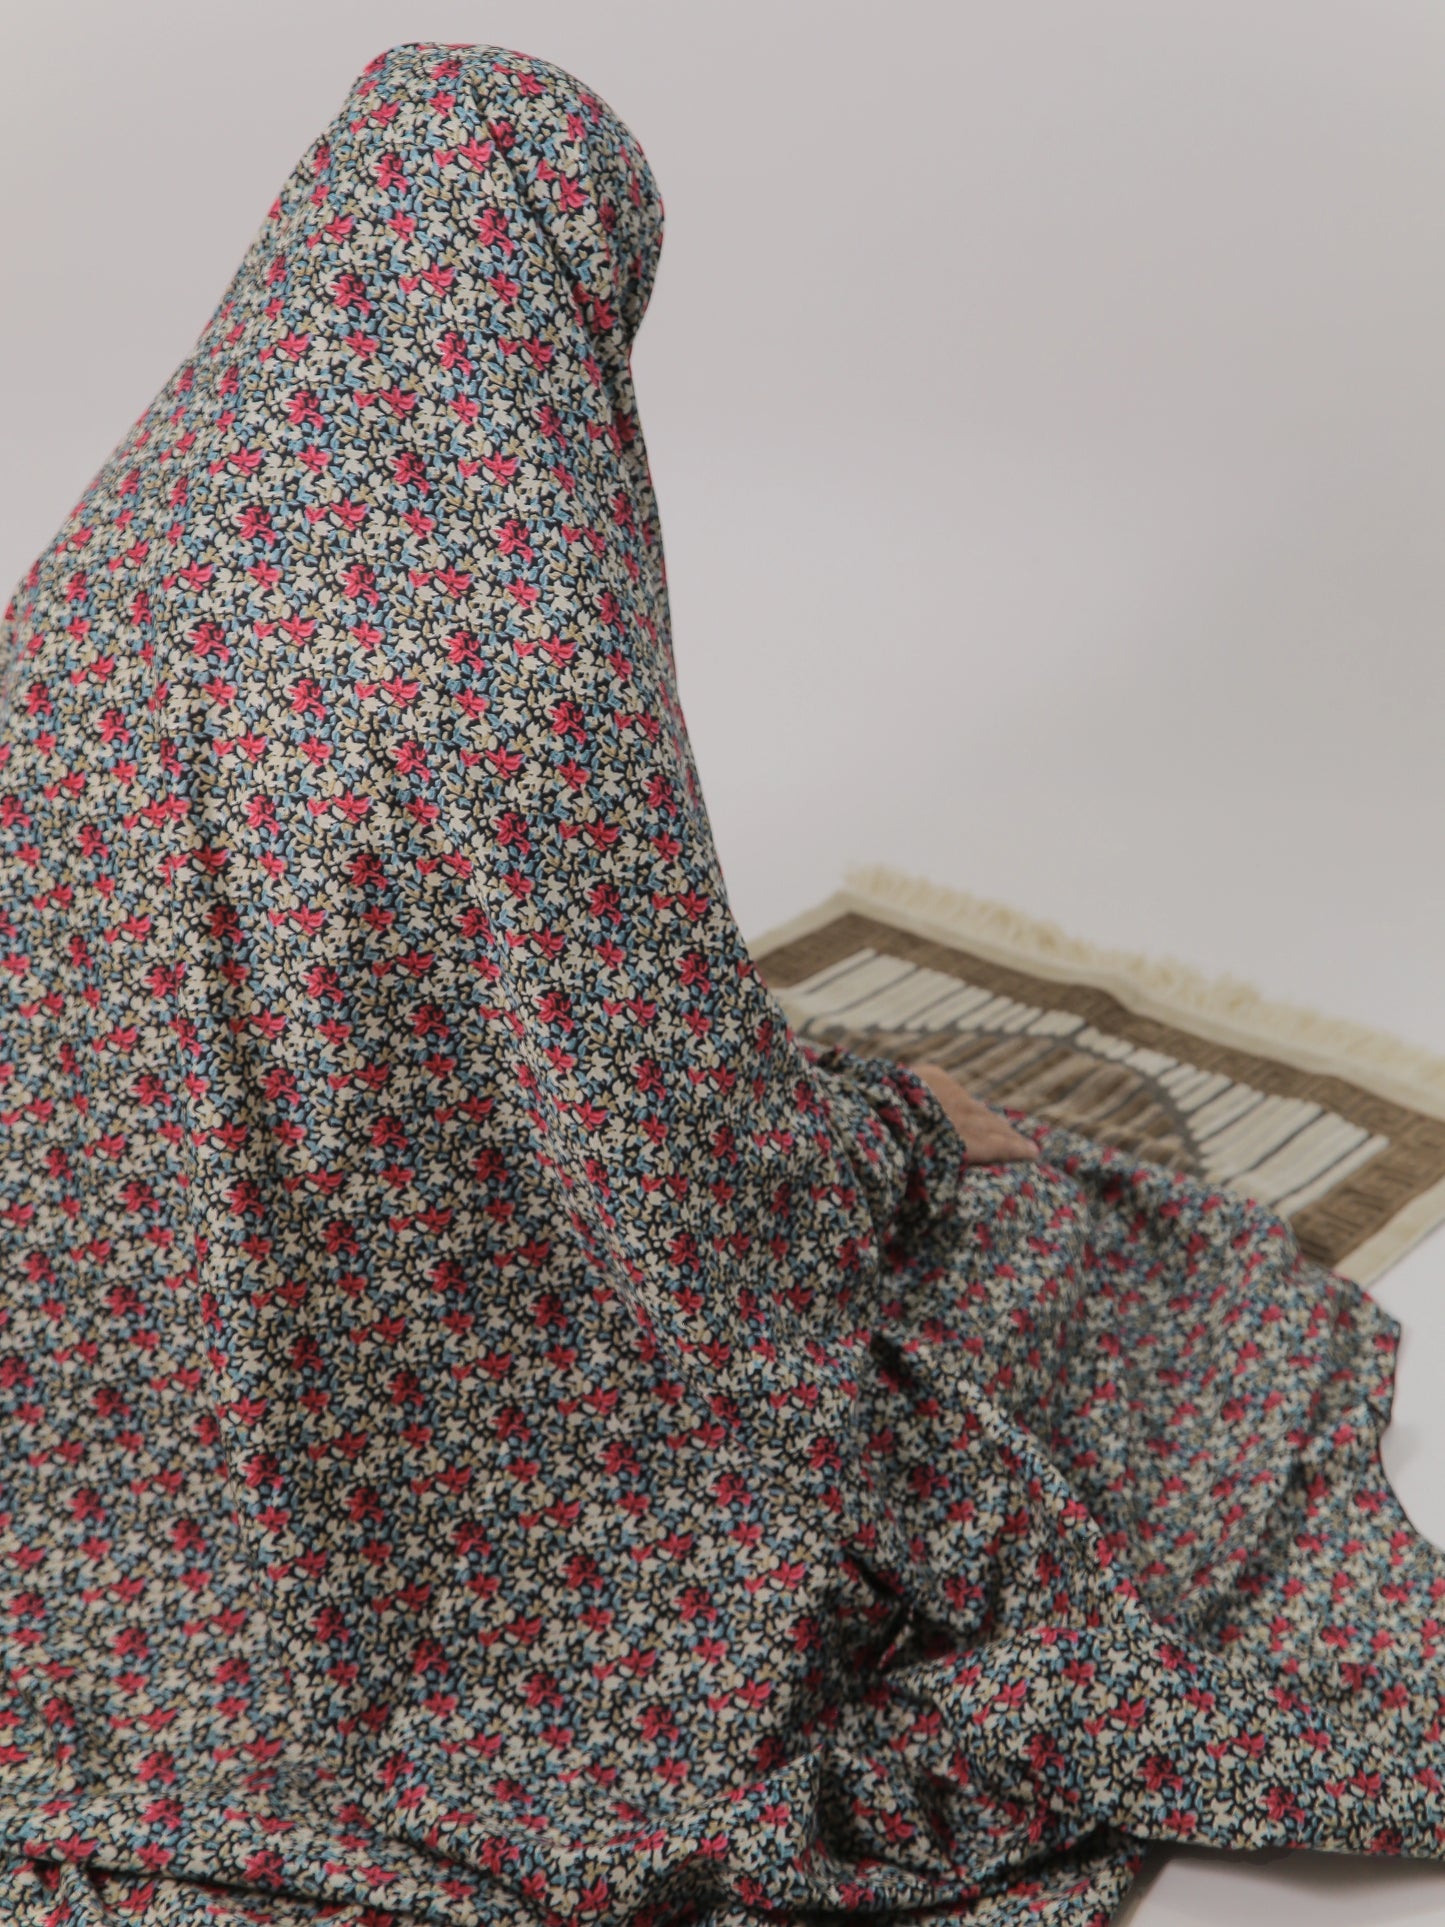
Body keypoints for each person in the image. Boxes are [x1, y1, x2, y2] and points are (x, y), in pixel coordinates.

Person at [1, 41, 1441, 1927]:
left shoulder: (93, 583)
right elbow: (666, 1167)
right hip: (462, 1476)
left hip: (98, 1392)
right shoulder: (520, 644)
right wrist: (901, 1141)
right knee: (1099, 1287)